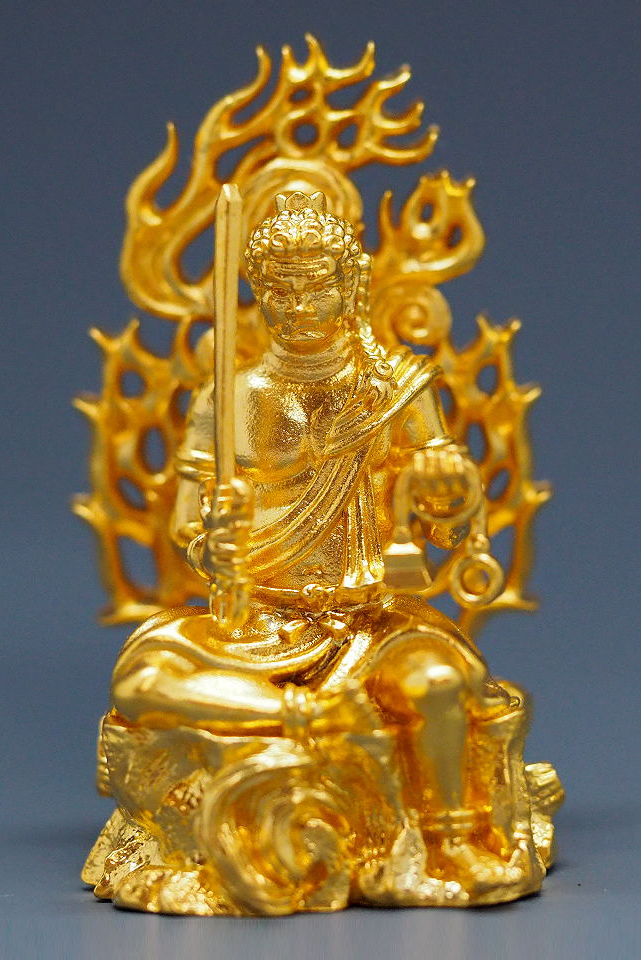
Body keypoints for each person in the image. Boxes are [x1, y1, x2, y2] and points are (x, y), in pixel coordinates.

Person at [106, 191, 533, 897]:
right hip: (257, 622)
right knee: (141, 680)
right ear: (256, 293)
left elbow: (447, 525)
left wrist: (448, 487)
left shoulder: (394, 390)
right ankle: (303, 716)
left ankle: (450, 842)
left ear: (349, 285)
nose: (298, 306)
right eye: (279, 291)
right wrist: (211, 548)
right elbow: (186, 523)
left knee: (437, 684)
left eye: (314, 287)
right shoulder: (226, 396)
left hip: (365, 620)